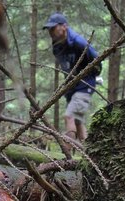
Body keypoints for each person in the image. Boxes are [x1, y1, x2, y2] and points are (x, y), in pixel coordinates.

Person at [43, 12, 98, 142]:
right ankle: (87, 152)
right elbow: (66, 67)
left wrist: (92, 76)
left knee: (69, 117)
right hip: (71, 87)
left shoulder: (79, 42)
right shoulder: (56, 46)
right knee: (78, 121)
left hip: (85, 85)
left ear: (64, 26)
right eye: (49, 29)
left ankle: (67, 156)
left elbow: (96, 59)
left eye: (53, 28)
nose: (50, 32)